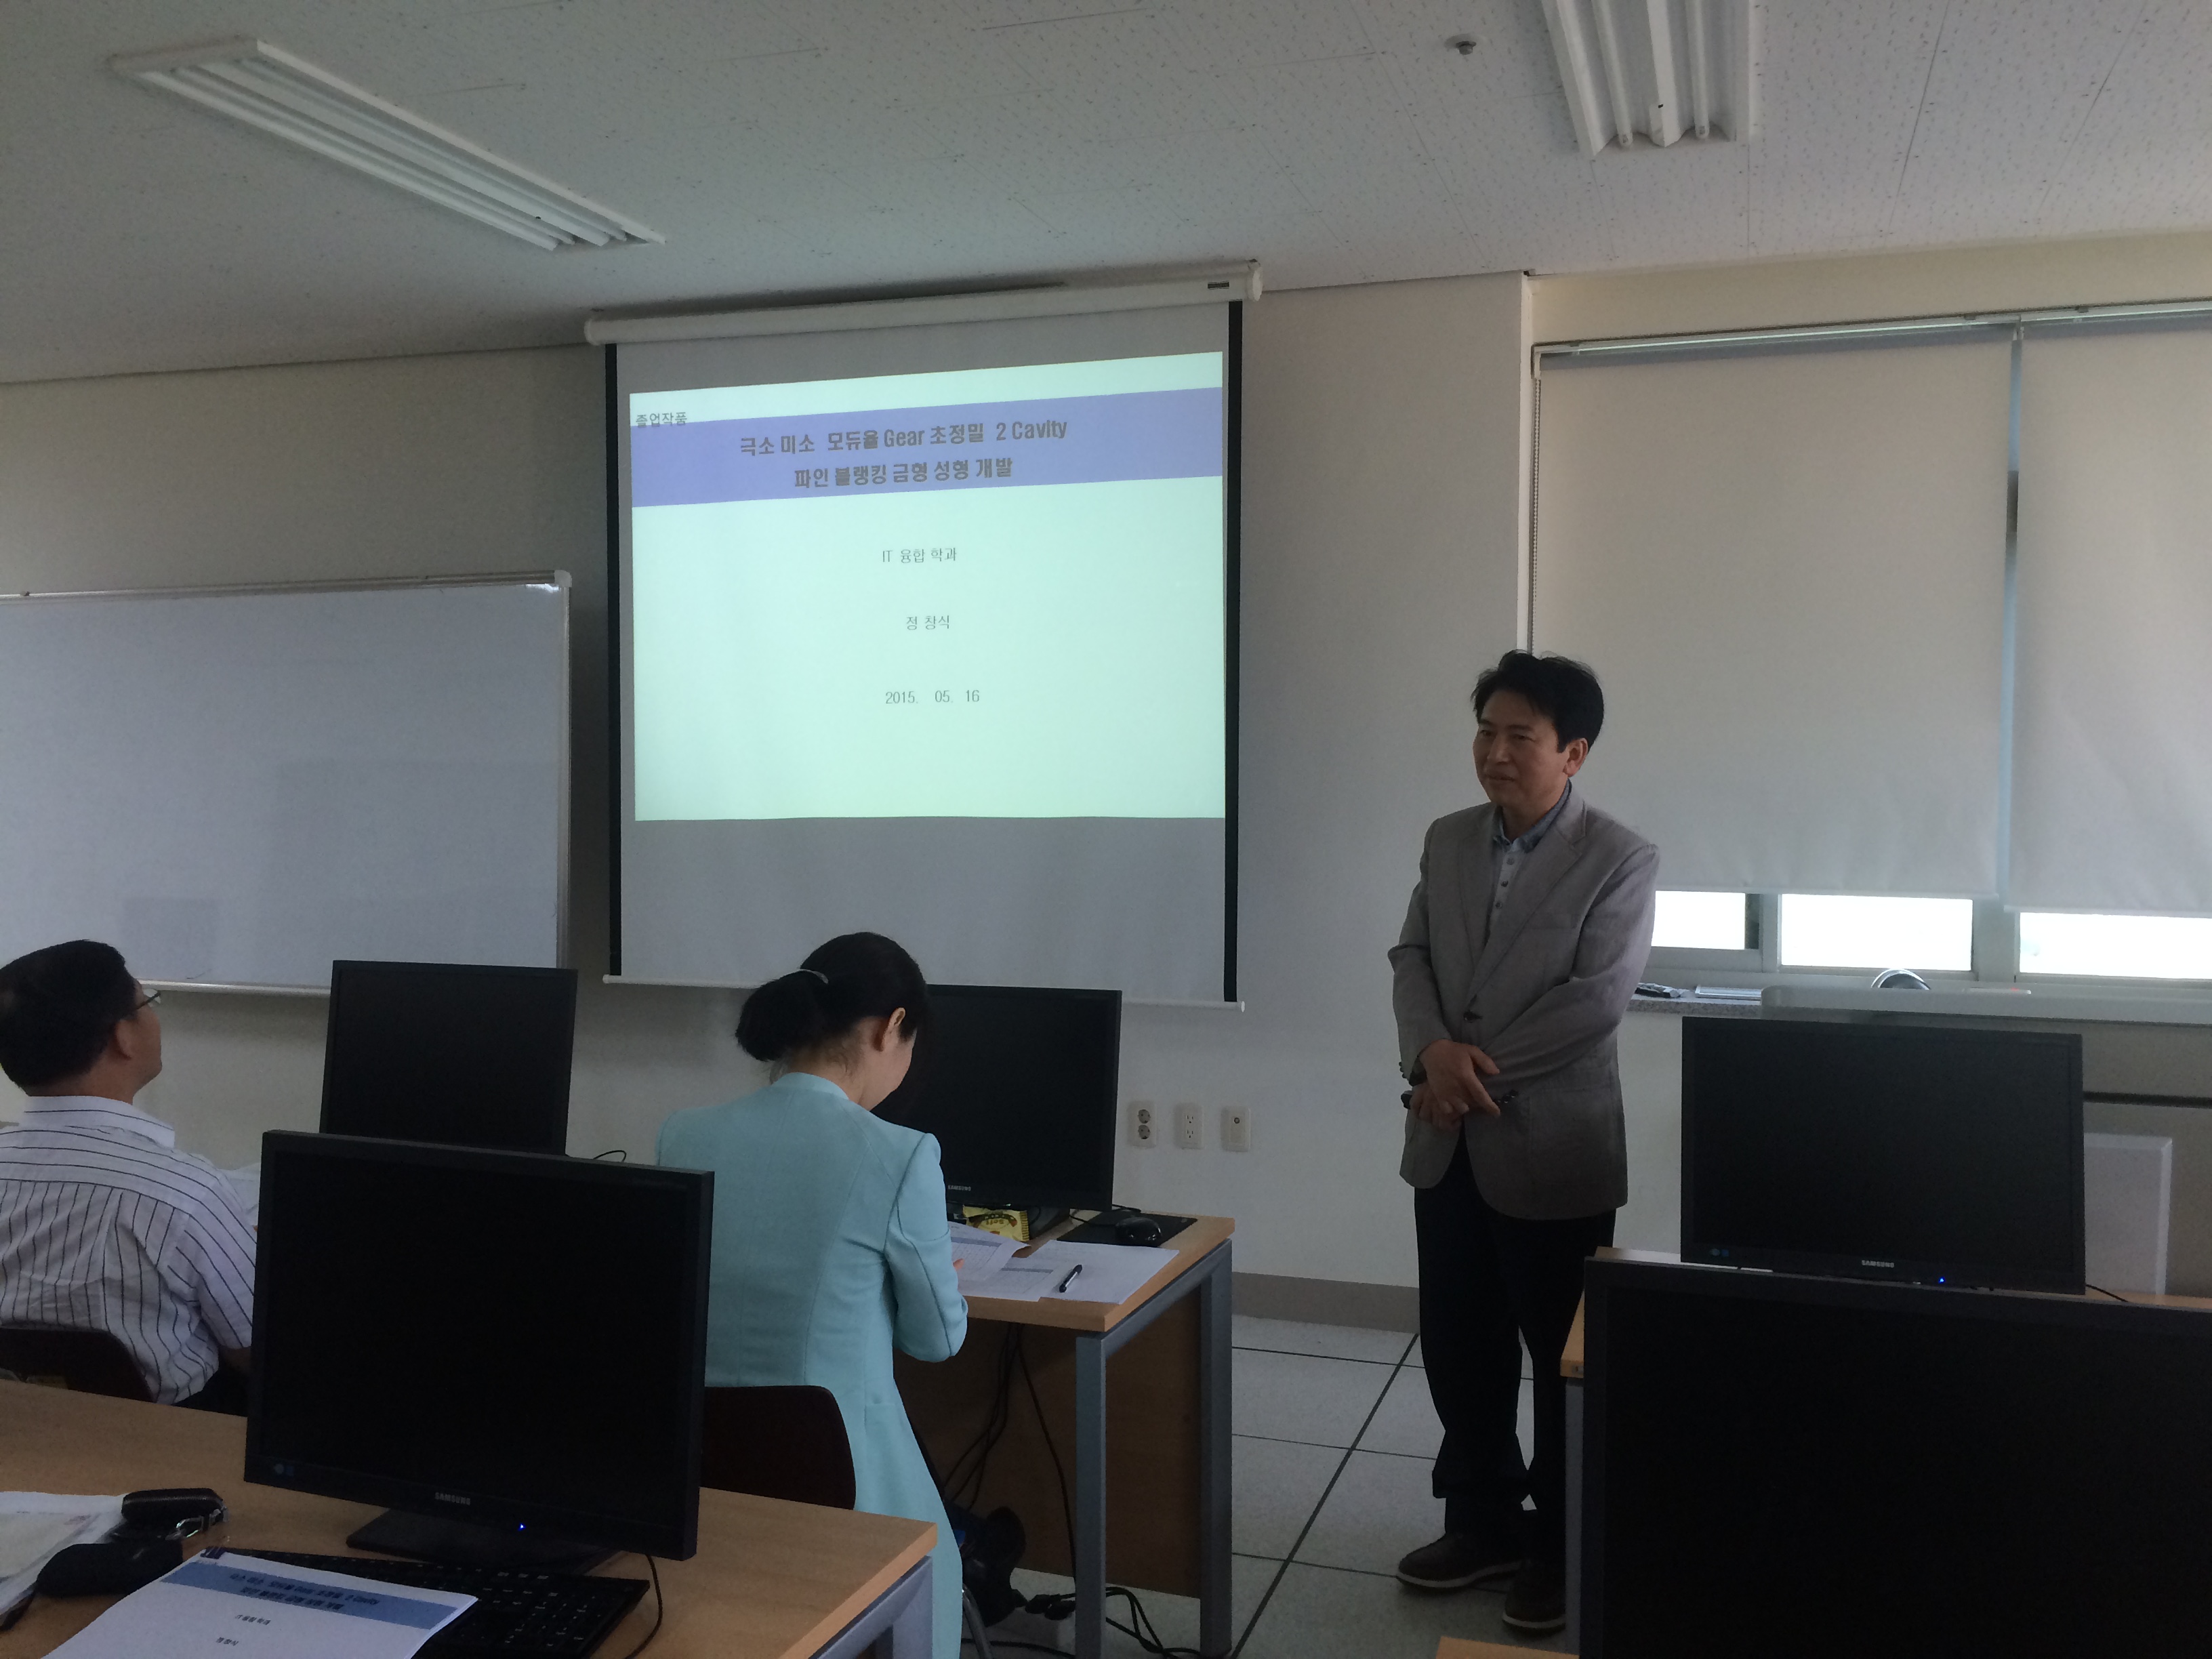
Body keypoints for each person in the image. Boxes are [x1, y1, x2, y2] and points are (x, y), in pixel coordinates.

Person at [1387, 651, 1657, 1633]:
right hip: (1447, 1141)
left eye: (1520, 737)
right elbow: (1413, 955)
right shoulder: (1448, 838)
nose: (1495, 753)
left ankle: (1559, 1542)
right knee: (1460, 1342)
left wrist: (1463, 1078)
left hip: (1552, 1146)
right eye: (1486, 732)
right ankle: (1482, 1520)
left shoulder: (1620, 857)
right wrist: (1431, 1052)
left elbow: (1596, 1001)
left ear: (1572, 753)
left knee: (1561, 1356)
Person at [657, 932, 967, 1659]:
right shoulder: (901, 1155)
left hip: (697, 1472)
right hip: (842, 1478)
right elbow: (938, 1342)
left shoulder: (684, 1136)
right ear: (891, 1027)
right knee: (938, 1562)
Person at [0, 939, 258, 1412]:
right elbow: (254, 1349)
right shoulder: (186, 1191)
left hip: (21, 1425)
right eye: (147, 1003)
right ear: (123, 1037)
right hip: (165, 1432)